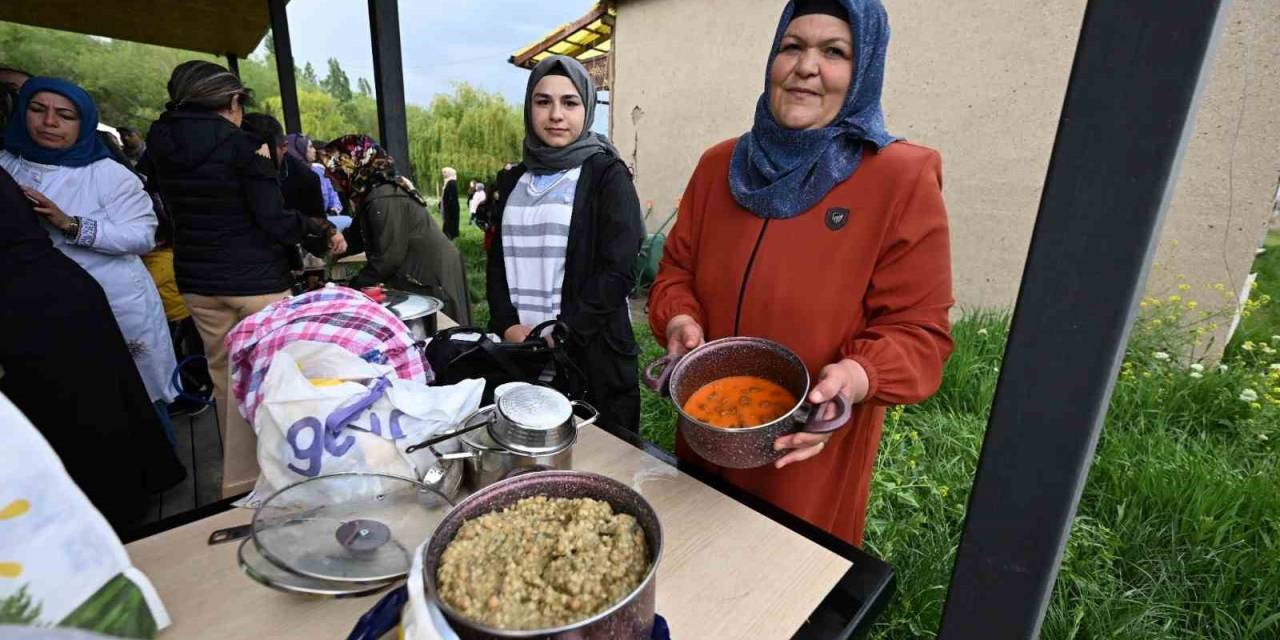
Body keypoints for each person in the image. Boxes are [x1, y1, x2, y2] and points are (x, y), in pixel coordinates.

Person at [647, 0, 954, 547]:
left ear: (864, 71)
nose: (807, 66)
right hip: (707, 426)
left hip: (809, 449)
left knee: (785, 591)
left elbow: (919, 334)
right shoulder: (718, 165)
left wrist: (858, 377)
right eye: (793, 46)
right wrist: (680, 318)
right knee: (692, 563)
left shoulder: (900, 178)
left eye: (834, 52)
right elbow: (676, 271)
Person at [139, 60, 340, 497]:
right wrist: (317, 229)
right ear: (232, 102)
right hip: (256, 282)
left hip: (197, 281)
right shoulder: (243, 147)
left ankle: (239, 481)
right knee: (280, 378)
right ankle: (292, 479)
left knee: (226, 381)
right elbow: (273, 220)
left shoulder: (160, 142)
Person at [0, 82, 185, 533]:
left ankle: (161, 486)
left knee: (137, 392)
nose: (49, 123)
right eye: (39, 110)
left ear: (82, 123)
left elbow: (143, 235)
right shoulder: (7, 165)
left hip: (112, 297)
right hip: (33, 315)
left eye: (64, 115)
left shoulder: (109, 174)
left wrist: (71, 224)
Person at [487, 56, 645, 433]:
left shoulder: (606, 174)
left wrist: (561, 333)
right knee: (534, 456)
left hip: (590, 356)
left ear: (587, 108)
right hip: (523, 352)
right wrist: (508, 324)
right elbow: (496, 260)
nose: (556, 114)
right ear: (529, 108)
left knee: (601, 462)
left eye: (569, 103)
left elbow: (618, 269)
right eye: (543, 102)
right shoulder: (514, 180)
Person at [323, 134, 473, 325]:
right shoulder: (372, 192)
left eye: (332, 168)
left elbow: (388, 258)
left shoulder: (382, 197)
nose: (328, 175)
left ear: (351, 164)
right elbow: (356, 238)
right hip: (425, 271)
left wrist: (350, 290)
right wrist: (330, 249)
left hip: (432, 275)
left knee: (446, 337)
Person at [285, 133, 350, 230]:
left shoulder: (320, 170)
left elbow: (333, 196)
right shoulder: (289, 176)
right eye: (310, 147)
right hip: (305, 224)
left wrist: (334, 210)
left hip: (326, 218)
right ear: (300, 150)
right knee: (349, 222)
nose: (314, 150)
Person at [440, 166, 460, 240]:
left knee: (449, 227)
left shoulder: (451, 183)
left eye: (445, 172)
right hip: (448, 209)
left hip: (450, 210)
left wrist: (448, 209)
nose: (443, 174)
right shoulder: (448, 182)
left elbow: (452, 199)